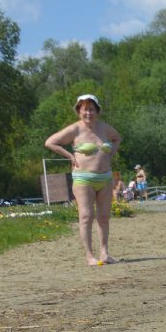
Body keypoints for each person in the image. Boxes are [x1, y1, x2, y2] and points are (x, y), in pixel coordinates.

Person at [44, 94, 120, 265]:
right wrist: (70, 155)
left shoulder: (104, 128)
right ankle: (89, 256)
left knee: (104, 216)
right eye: (85, 109)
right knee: (86, 216)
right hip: (83, 178)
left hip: (105, 177)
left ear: (97, 111)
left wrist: (111, 153)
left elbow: (117, 138)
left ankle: (104, 253)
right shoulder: (75, 129)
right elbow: (50, 142)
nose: (88, 113)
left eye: (92, 109)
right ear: (79, 111)